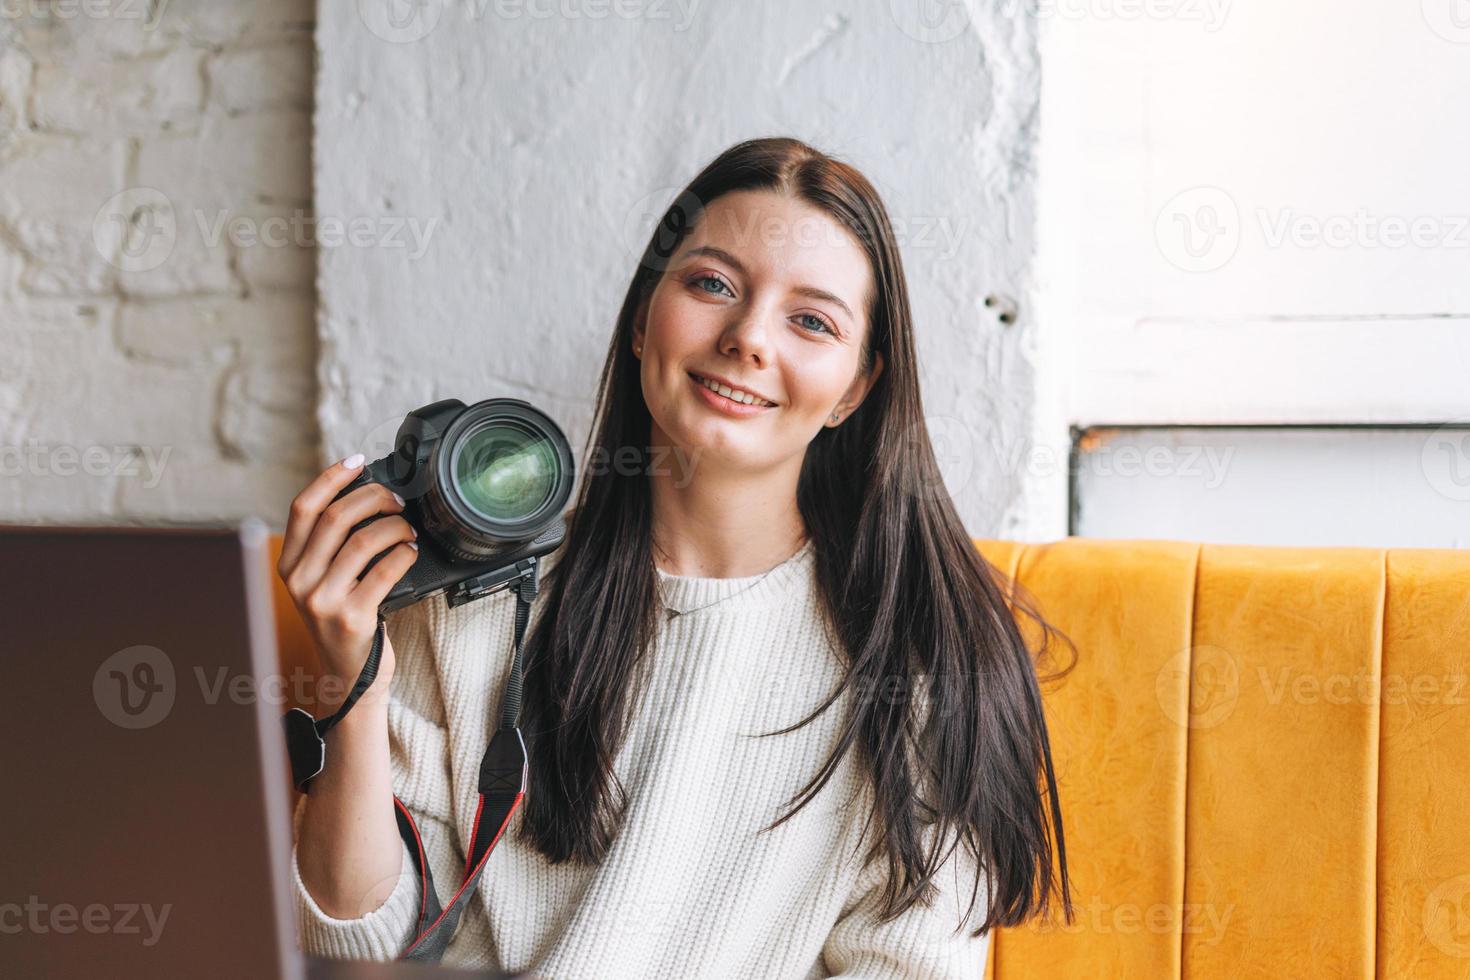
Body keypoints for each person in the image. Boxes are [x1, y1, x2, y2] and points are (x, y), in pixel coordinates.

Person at [277, 136, 1075, 978]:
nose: (748, 338)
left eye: (811, 320)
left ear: (853, 389)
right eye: (712, 284)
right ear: (639, 321)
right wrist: (353, 684)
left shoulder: (923, 655)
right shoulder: (469, 597)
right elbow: (361, 941)